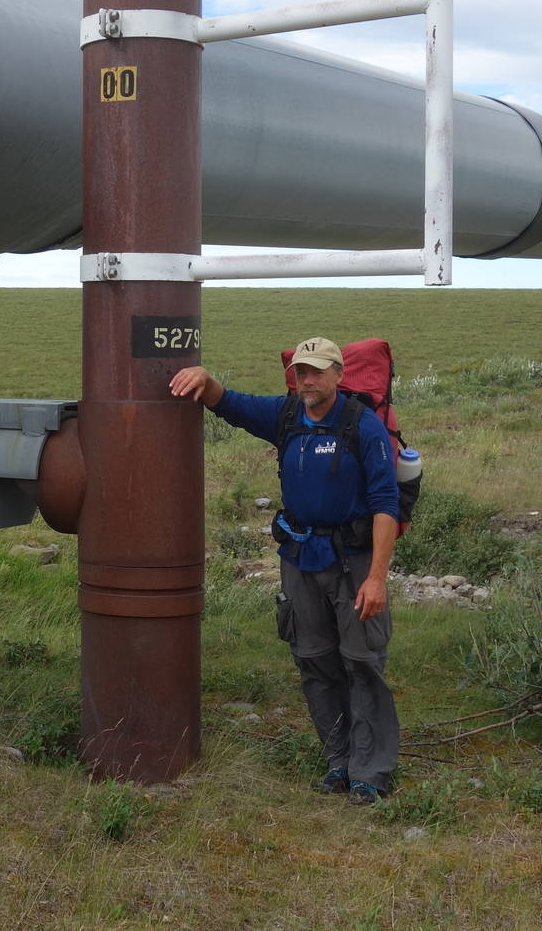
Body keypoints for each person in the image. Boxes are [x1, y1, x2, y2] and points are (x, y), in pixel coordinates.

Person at [169, 337, 402, 804]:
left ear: (338, 373)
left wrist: (376, 577)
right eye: (300, 372)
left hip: (352, 563)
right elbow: (230, 404)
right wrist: (206, 380)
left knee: (361, 663)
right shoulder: (286, 415)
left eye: (316, 372)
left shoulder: (364, 427)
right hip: (299, 559)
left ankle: (369, 771)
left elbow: (385, 505)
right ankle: (338, 762)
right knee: (315, 661)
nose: (307, 381)